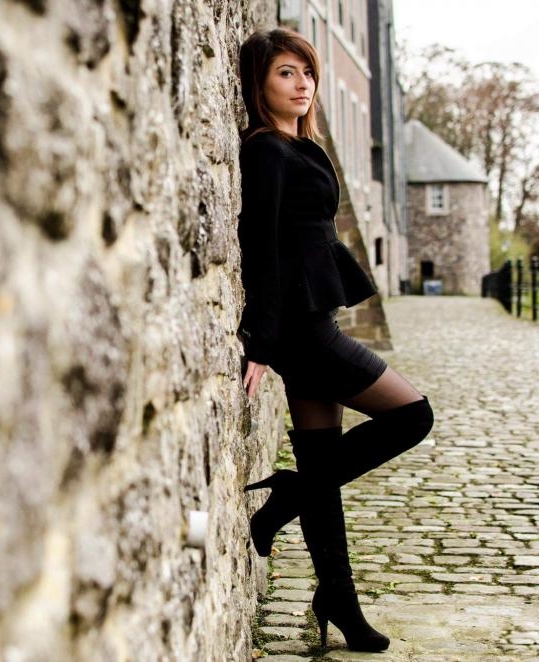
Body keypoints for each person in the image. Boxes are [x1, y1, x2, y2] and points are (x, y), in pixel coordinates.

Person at [236, 28, 434, 652]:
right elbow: (260, 247)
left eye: (307, 73)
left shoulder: (301, 145)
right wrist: (261, 342)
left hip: (314, 317)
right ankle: (289, 497)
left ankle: (339, 600)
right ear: (259, 83)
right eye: (286, 73)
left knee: (322, 461)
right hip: (302, 331)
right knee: (413, 416)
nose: (302, 84)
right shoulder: (266, 151)